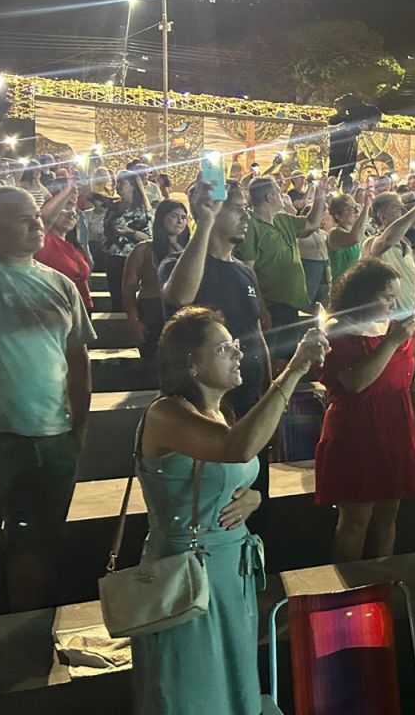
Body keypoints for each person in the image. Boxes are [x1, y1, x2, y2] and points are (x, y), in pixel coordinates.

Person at [0, 112, 96, 622]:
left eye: (36, 215)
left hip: (48, 439)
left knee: (35, 547)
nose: (38, 223)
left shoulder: (61, 284)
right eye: (24, 217)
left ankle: (21, 636)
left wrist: (77, 429)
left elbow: (77, 360)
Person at [133, 306, 327, 713]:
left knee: (232, 680)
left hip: (229, 568)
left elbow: (231, 472)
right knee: (194, 687)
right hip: (186, 572)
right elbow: (235, 448)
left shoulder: (220, 412)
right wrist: (294, 370)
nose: (239, 353)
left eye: (236, 344)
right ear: (191, 362)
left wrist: (253, 497)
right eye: (224, 348)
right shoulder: (166, 412)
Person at [315, 258, 415, 562]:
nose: (394, 304)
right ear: (363, 295)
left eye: (396, 297)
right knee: (356, 518)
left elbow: (400, 373)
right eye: (386, 297)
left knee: (388, 513)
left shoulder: (393, 328)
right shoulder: (338, 331)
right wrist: (392, 342)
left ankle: (382, 576)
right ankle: (351, 585)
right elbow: (356, 382)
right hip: (357, 431)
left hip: (395, 426)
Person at [161, 182, 271, 422]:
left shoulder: (245, 271)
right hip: (203, 408)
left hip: (249, 398)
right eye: (237, 208)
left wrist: (268, 390)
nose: (246, 216)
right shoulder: (176, 265)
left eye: (246, 208)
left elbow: (256, 333)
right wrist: (205, 221)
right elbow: (180, 296)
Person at [235, 176, 327, 360]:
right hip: (271, 307)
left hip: (291, 304)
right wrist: (261, 307)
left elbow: (312, 223)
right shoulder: (250, 225)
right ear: (270, 197)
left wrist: (320, 196)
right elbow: (247, 271)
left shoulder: (282, 219)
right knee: (272, 359)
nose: (283, 195)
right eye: (279, 191)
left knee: (287, 358)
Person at [124, 200, 189, 360]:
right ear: (161, 218)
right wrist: (133, 319)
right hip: (152, 310)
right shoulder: (143, 248)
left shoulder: (191, 250)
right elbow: (128, 288)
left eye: (183, 217)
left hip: (184, 312)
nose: (180, 221)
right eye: (174, 216)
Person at [103, 170, 152, 313]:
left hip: (130, 256)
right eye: (117, 182)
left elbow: (148, 237)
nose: (118, 186)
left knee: (127, 292)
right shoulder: (113, 206)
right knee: (114, 291)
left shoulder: (141, 210)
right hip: (111, 254)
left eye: (123, 183)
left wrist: (129, 231)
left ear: (133, 186)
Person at [35, 198, 94, 309]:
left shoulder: (74, 247)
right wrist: (68, 191)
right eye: (65, 209)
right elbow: (44, 218)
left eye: (75, 212)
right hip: (52, 306)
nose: (71, 215)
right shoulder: (43, 241)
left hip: (79, 306)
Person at [326, 191, 370, 281]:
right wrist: (366, 207)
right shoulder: (334, 234)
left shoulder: (363, 233)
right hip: (343, 286)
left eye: (356, 206)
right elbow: (354, 238)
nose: (357, 211)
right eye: (351, 208)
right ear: (338, 215)